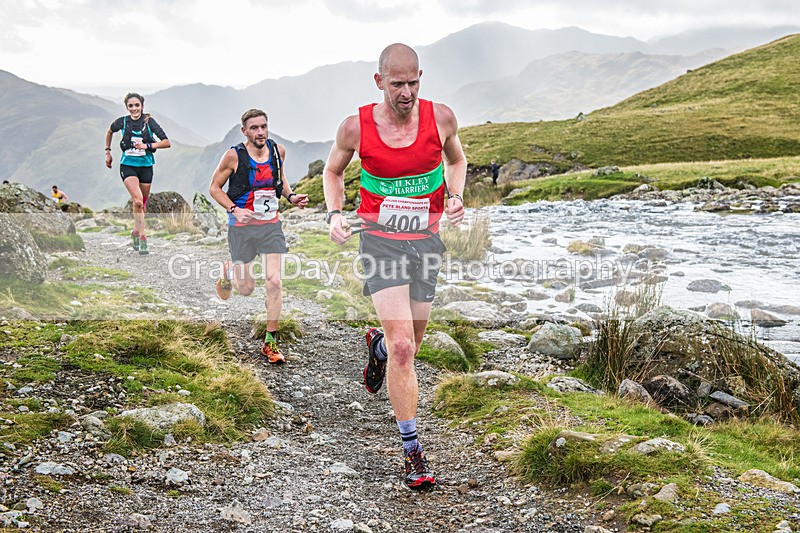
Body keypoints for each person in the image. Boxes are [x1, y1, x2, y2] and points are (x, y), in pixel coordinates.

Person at [322, 43, 466, 490]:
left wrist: (457, 196)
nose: (406, 92)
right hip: (380, 241)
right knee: (406, 346)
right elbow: (332, 171)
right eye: (397, 83)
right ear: (379, 81)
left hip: (426, 241)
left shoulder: (441, 118)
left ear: (421, 77)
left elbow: (457, 160)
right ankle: (412, 451)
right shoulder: (355, 127)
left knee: (410, 345)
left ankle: (377, 348)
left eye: (413, 82)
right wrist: (334, 213)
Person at [209, 109, 309, 364]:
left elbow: (281, 180)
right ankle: (230, 271)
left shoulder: (277, 151)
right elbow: (214, 188)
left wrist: (291, 196)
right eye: (254, 128)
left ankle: (270, 341)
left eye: (264, 126)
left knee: (274, 281)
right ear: (245, 131)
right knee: (246, 289)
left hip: (270, 226)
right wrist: (234, 209)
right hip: (241, 227)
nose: (260, 132)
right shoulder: (233, 156)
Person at [105, 92, 171, 255]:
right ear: (127, 107)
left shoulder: (149, 121)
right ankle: (143, 239)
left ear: (142, 106)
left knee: (143, 204)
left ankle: (135, 231)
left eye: (137, 105)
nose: (134, 108)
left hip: (146, 167)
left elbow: (166, 143)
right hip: (127, 166)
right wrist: (108, 152)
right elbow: (109, 131)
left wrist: (147, 146)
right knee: (138, 201)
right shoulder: (123, 122)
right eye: (130, 106)